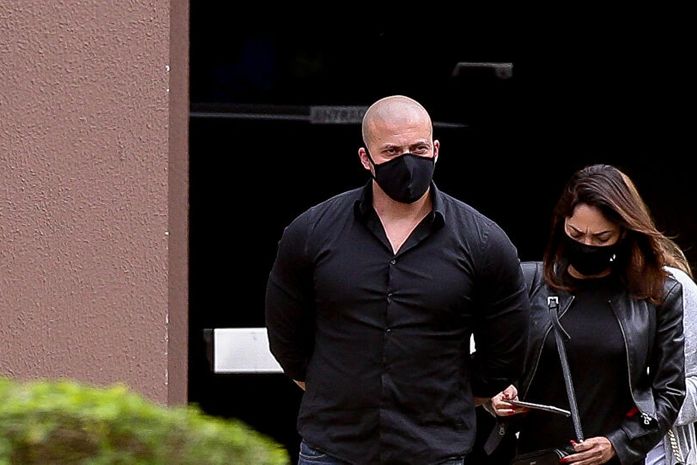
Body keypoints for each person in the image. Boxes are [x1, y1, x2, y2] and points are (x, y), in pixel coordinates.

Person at [264, 95, 530, 465]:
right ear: (365, 158)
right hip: (332, 446)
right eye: (391, 151)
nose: (407, 161)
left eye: (418, 148)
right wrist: (331, 387)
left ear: (436, 150)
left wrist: (452, 395)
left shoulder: (484, 242)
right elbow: (285, 332)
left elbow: (506, 350)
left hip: (434, 449)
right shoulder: (312, 232)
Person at [486, 164, 687, 465]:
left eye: (602, 238)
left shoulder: (658, 295)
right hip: (533, 454)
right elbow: (491, 361)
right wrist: (496, 395)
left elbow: (669, 391)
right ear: (561, 224)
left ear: (624, 233)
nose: (587, 245)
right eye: (576, 233)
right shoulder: (527, 283)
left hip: (612, 458)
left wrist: (618, 443)